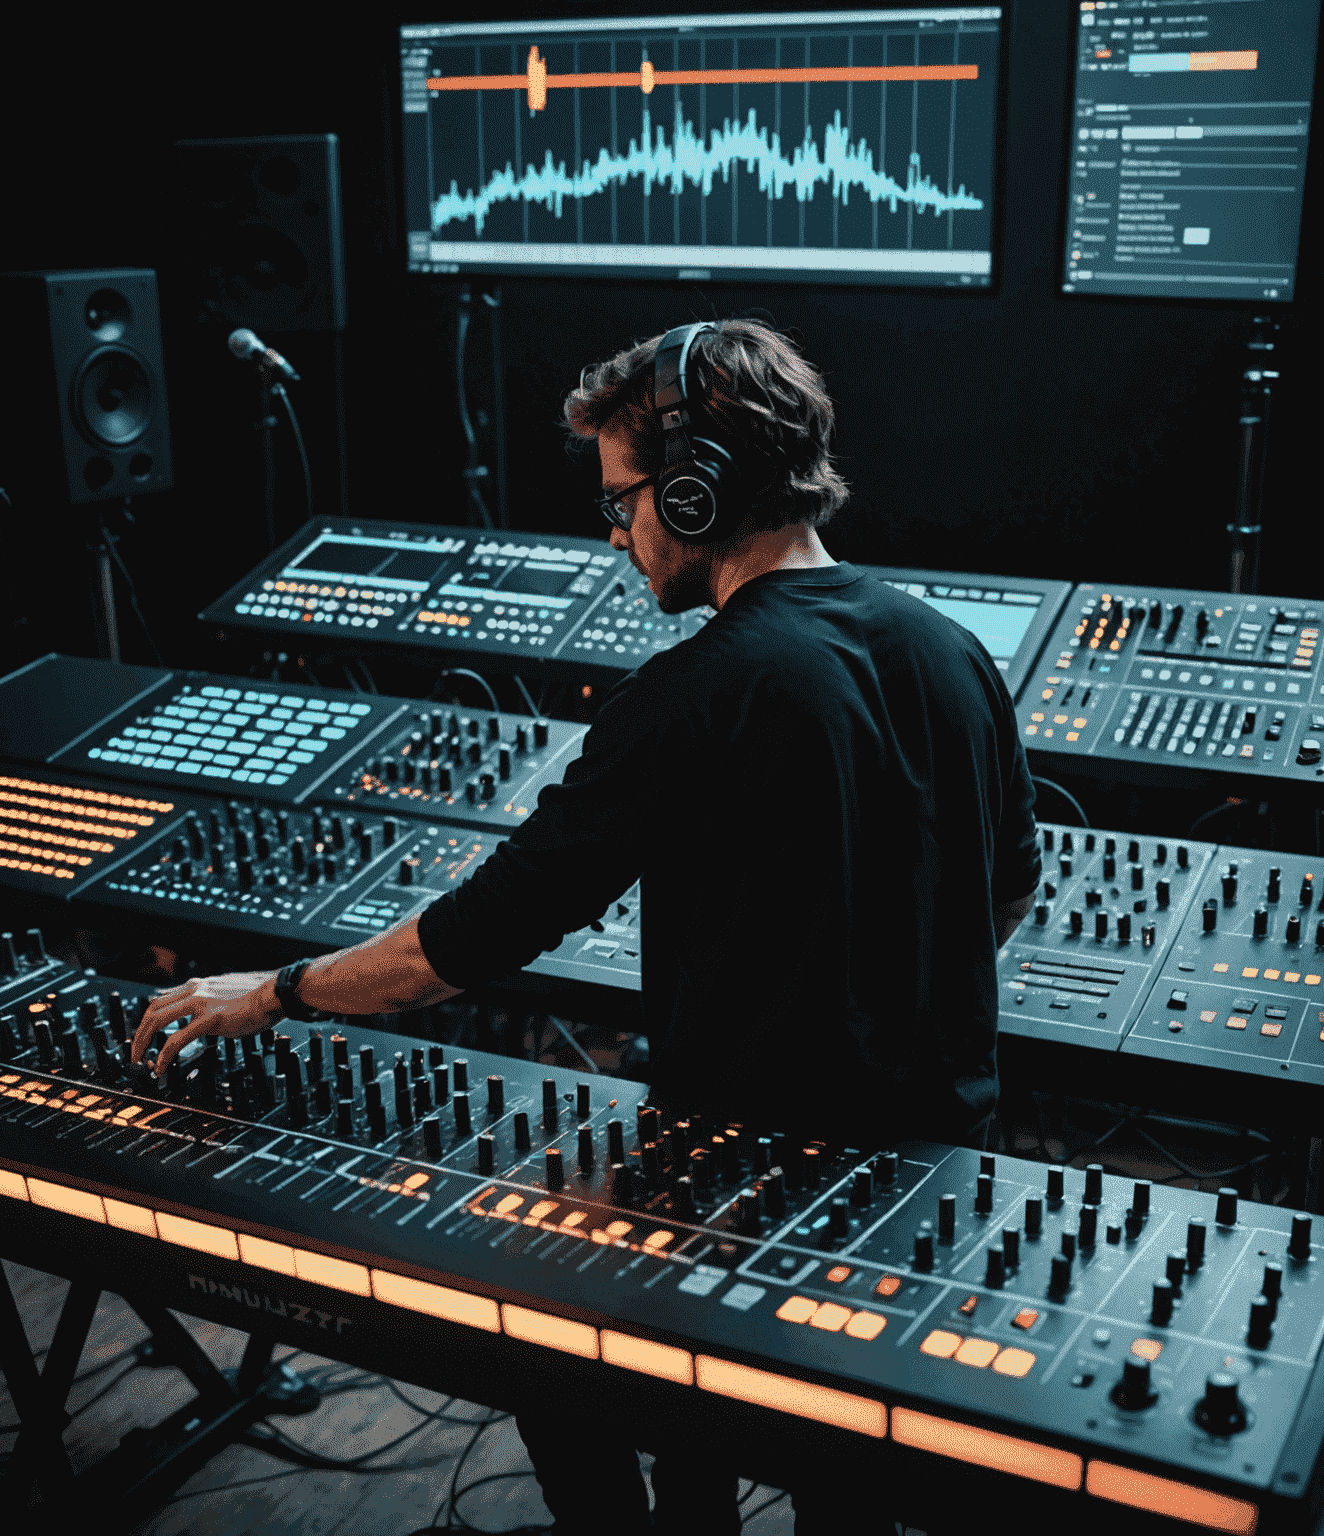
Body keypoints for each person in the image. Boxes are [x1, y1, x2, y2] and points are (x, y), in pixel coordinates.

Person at [132, 319, 1040, 1535]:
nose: (616, 535)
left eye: (623, 505)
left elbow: (465, 946)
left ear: (697, 490)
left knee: (532, 1334)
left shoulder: (688, 699)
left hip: (743, 1179)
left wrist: (276, 991)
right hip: (933, 1178)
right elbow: (1010, 889)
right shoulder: (953, 654)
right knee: (845, 1481)